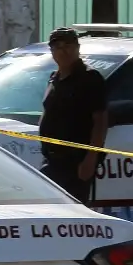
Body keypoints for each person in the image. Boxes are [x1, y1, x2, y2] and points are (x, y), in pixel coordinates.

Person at [38, 27, 109, 201]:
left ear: (77, 48)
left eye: (68, 45)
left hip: (76, 162)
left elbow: (100, 122)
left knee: (75, 213)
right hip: (53, 160)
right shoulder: (54, 78)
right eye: (58, 47)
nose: (63, 51)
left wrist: (90, 160)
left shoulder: (89, 78)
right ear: (52, 51)